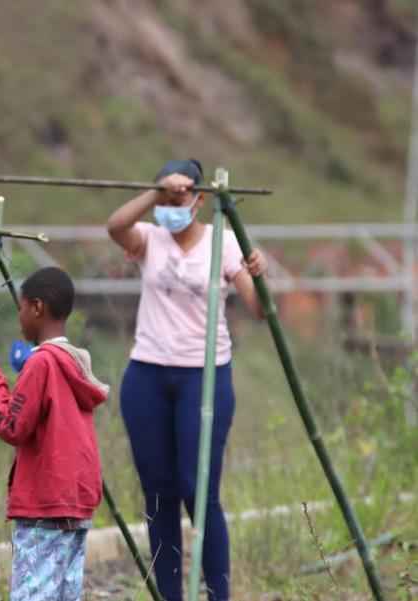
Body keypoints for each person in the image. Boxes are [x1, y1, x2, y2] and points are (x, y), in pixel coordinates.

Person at [106, 159, 268, 601]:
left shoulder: (225, 241)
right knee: (159, 495)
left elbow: (258, 310)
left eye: (180, 198)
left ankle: (218, 593)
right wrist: (156, 193)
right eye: (165, 200)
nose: (171, 208)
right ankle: (170, 594)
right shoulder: (150, 239)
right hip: (147, 375)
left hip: (205, 377)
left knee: (199, 491)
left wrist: (257, 277)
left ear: (199, 199)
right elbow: (115, 225)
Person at [0, 266, 109, 601]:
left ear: (36, 307)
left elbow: (12, 424)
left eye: (20, 307)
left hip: (45, 502)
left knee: (32, 594)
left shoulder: (42, 363)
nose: (19, 317)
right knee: (62, 593)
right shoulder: (75, 361)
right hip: (74, 501)